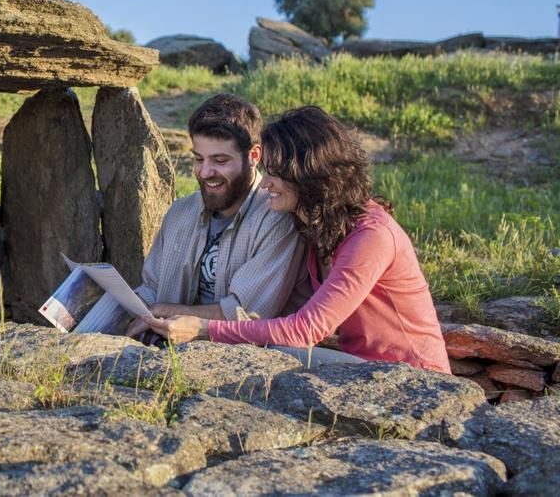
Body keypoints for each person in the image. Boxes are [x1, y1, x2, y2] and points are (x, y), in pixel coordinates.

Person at [141, 106, 451, 374]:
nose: (266, 186)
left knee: (272, 358)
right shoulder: (316, 227)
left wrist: (204, 328)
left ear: (308, 173)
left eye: (275, 174)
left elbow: (306, 329)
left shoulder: (371, 236)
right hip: (363, 366)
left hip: (412, 377)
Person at [126, 94, 309, 342]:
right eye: (198, 159)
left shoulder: (277, 217)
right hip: (163, 346)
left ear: (254, 156)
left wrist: (169, 311)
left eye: (220, 161)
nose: (205, 172)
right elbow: (150, 291)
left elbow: (247, 315)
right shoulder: (180, 212)